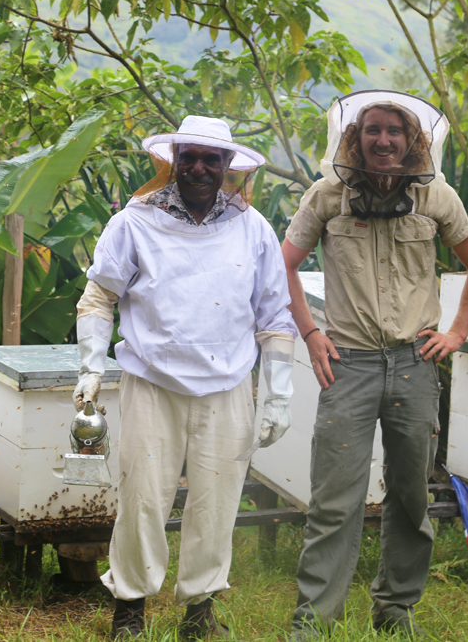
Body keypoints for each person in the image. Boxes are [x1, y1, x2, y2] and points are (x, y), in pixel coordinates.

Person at [71, 116, 298, 640]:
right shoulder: (134, 222)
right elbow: (99, 296)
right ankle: (130, 605)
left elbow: (275, 317)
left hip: (229, 386)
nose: (199, 168)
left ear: (226, 167)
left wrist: (279, 396)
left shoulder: (253, 228)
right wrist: (90, 367)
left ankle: (200, 609)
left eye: (210, 160)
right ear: (173, 161)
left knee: (216, 503)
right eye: (189, 158)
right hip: (152, 381)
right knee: (143, 499)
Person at [282, 90, 468, 638]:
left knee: (409, 496)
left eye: (394, 132)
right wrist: (310, 332)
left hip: (413, 365)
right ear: (354, 137)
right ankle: (314, 621)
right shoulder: (327, 195)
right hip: (346, 364)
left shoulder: (435, 196)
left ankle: (395, 611)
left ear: (412, 140)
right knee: (334, 499)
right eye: (372, 130)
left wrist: (457, 333)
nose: (383, 140)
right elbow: (278, 268)